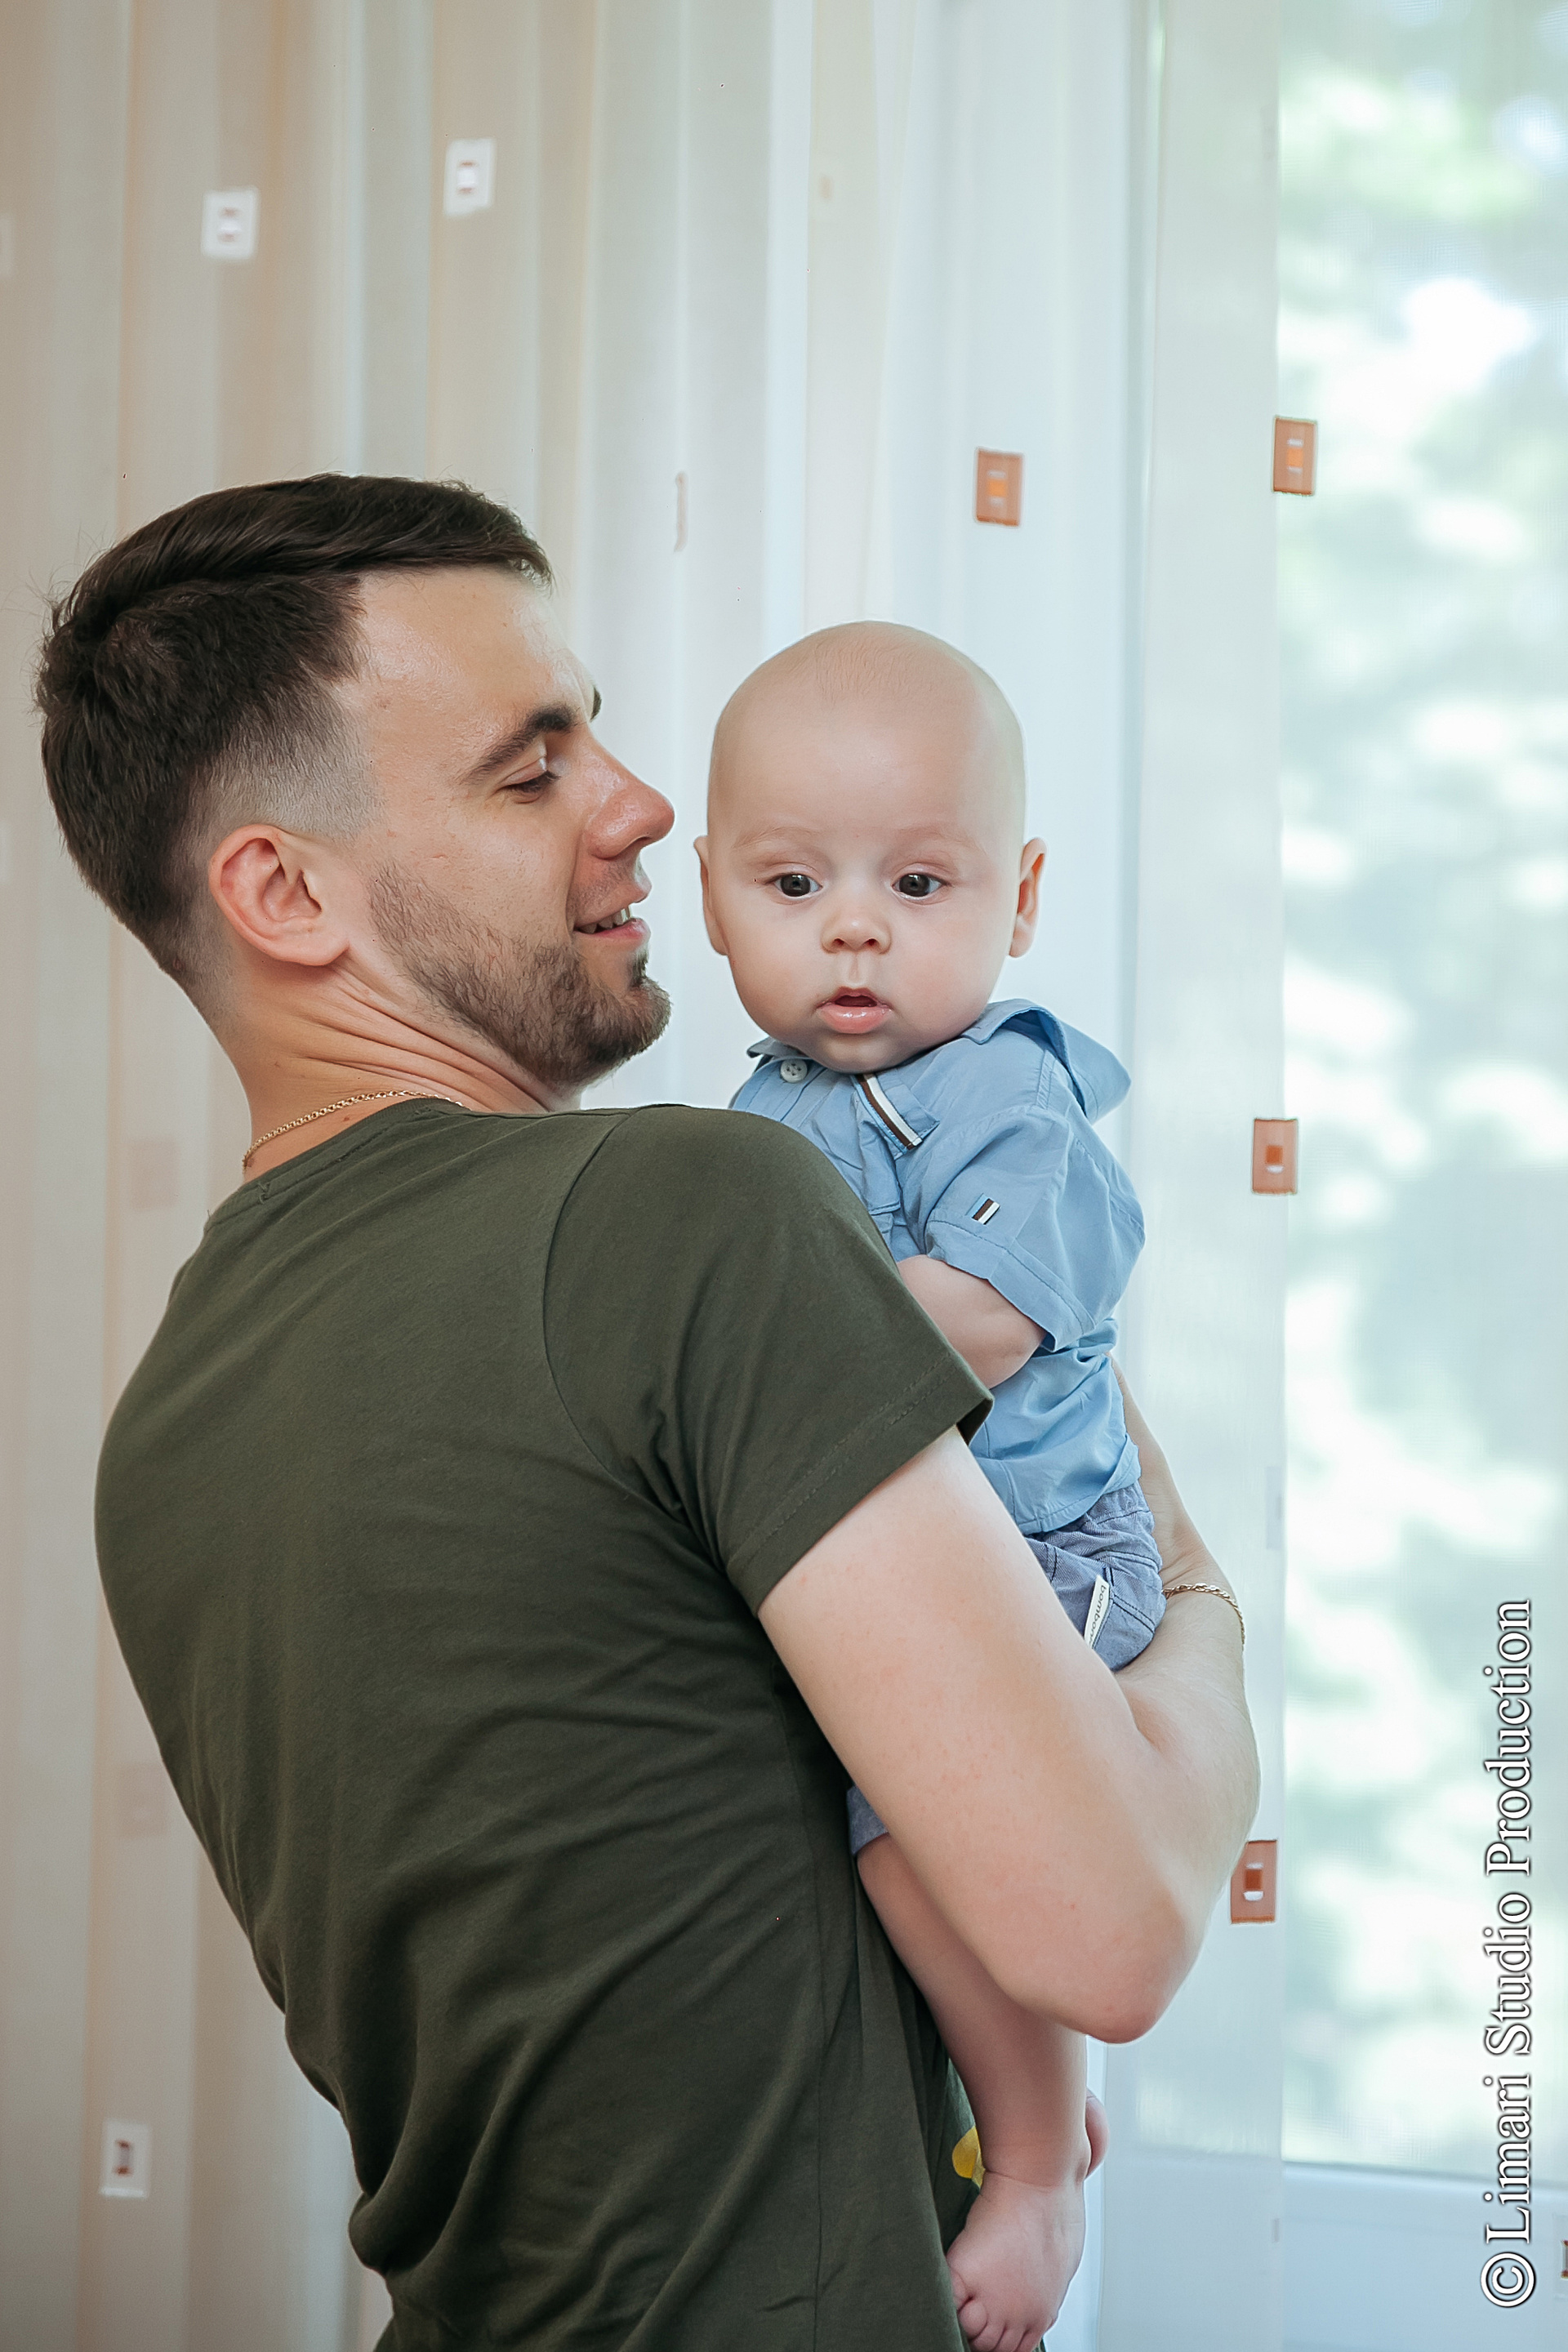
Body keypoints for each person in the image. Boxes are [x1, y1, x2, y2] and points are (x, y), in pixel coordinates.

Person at [36, 474, 1258, 2352]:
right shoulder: (686, 1214)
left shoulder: (163, 1433)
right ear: (285, 893)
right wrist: (1205, 1614)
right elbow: (1114, 1925)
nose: (644, 805)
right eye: (535, 768)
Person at [697, 622, 1181, 2350]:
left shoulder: (1005, 1090)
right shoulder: (762, 1114)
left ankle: (1039, 2166)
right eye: (793, 882)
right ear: (711, 897)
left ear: (1019, 897)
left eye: (917, 883)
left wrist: (732, 1354)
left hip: (1050, 1550)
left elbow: (984, 1315)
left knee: (917, 1849)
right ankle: (1023, 2080)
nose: (854, 929)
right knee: (862, 1854)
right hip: (903, 1561)